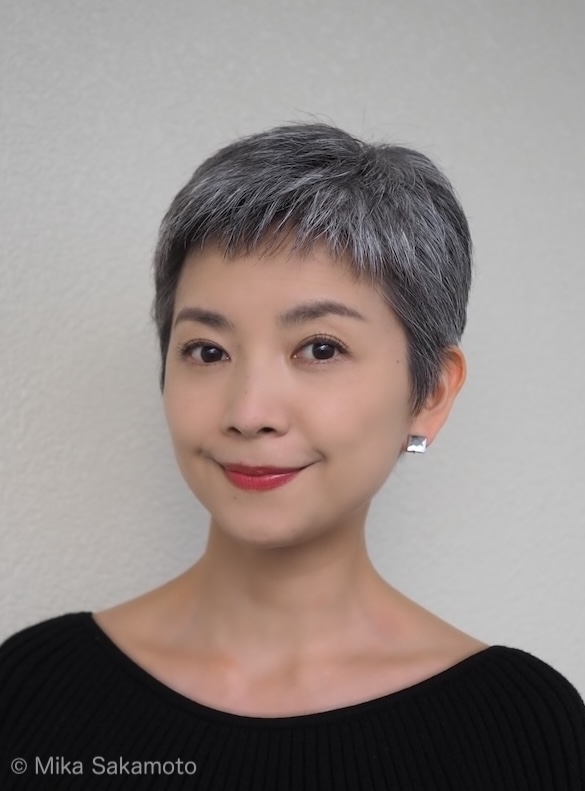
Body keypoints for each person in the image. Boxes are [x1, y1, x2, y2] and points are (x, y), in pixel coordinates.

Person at [1, 123, 584, 790]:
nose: (250, 412)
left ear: (429, 394)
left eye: (320, 348)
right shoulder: (32, 689)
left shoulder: (519, 729)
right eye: (207, 351)